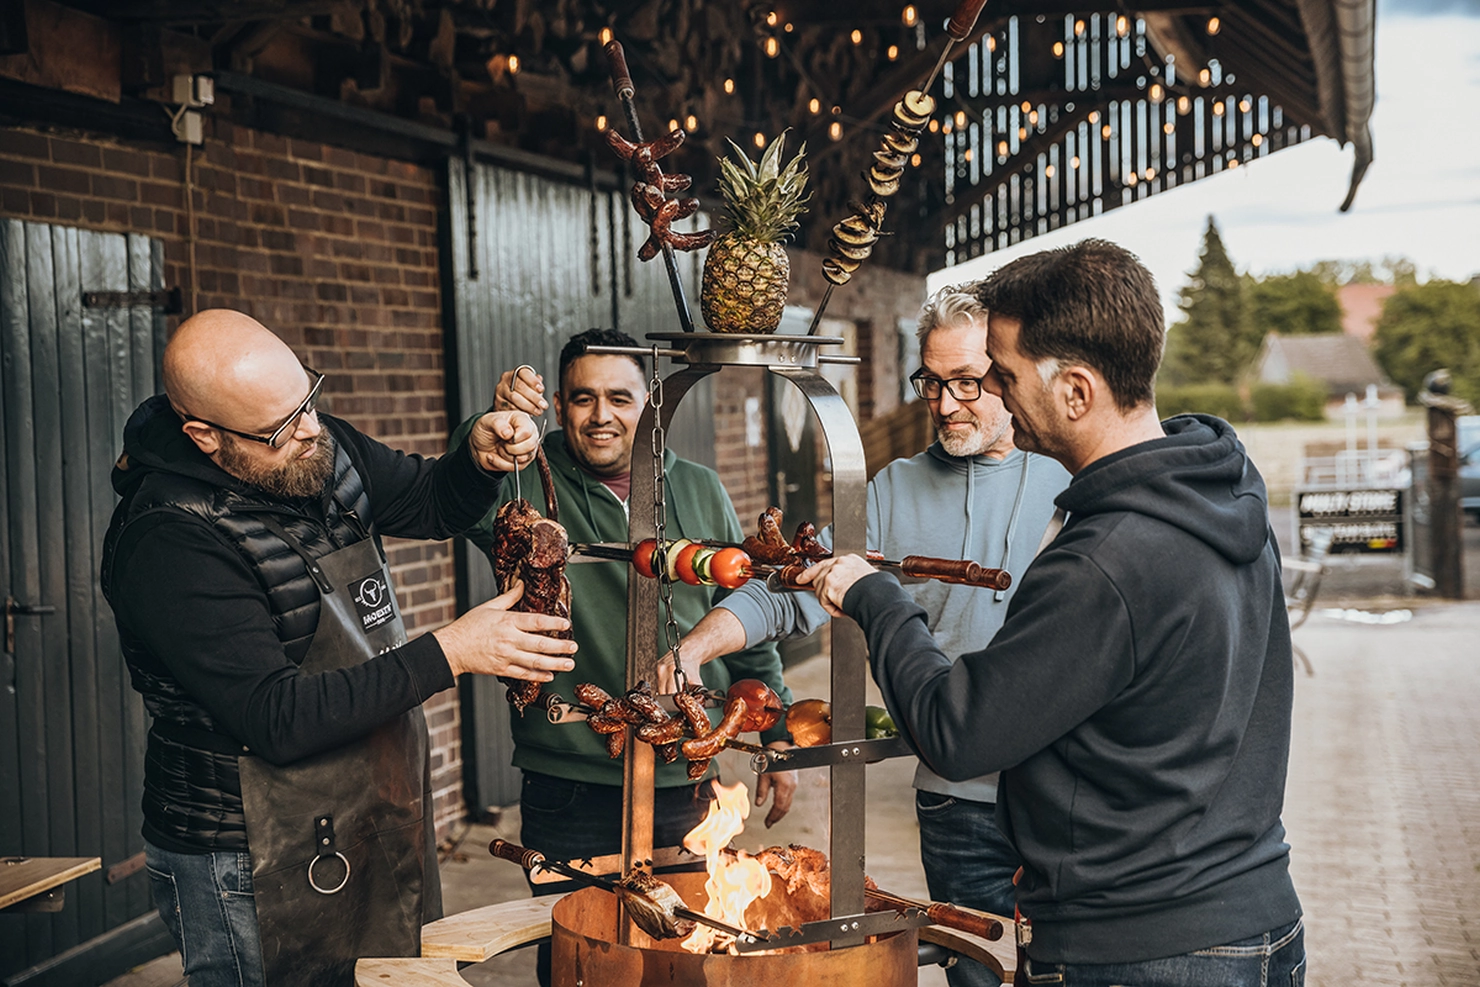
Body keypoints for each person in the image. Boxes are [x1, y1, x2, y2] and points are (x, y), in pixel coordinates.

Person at [801, 240, 1305, 986]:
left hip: (1144, 952)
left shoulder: (1105, 560)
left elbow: (957, 730)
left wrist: (874, 596)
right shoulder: (1220, 492)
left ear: (1074, 390)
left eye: (1002, 375)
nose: (991, 393)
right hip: (1255, 922)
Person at [102, 310, 577, 987]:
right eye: (279, 428)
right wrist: (451, 651)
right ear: (204, 436)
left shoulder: (314, 440)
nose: (310, 430)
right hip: (248, 853)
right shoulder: (169, 538)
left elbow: (433, 501)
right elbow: (275, 715)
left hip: (363, 809)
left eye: (308, 400)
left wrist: (478, 454)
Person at [660, 287, 1068, 986]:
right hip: (956, 797)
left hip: (1063, 797)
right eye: (931, 382)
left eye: (967, 382)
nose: (943, 404)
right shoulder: (891, 489)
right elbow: (791, 594)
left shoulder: (1070, 479)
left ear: (1009, 371)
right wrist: (693, 649)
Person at [450, 328, 795, 978]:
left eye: (619, 397)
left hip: (684, 779)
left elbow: (745, 615)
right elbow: (455, 490)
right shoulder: (521, 485)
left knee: (683, 958)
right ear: (557, 404)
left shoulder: (697, 487)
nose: (601, 415)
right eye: (582, 398)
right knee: (582, 962)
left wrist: (774, 729)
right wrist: (490, 429)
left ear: (651, 406)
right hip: (571, 785)